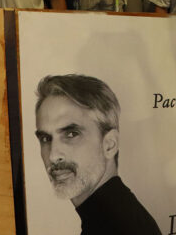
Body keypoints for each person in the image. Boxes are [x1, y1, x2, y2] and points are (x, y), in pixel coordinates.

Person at [34, 74, 161, 235]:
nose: (53, 156)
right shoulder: (114, 217)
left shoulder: (116, 226)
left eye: (71, 134)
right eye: (45, 138)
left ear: (109, 144)